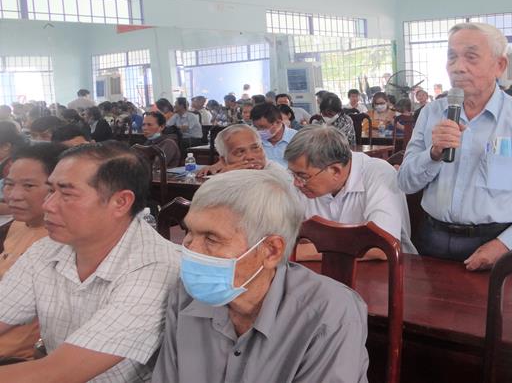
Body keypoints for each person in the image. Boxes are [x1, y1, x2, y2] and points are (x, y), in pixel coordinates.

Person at [151, 167, 368, 383]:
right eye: (189, 232)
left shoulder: (329, 314)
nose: (191, 249)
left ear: (271, 251)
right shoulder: (187, 294)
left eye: (211, 239)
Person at [0, 142, 180, 381]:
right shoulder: (46, 250)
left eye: (67, 194)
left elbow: (58, 372)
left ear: (120, 202)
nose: (47, 205)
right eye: (51, 190)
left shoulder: (155, 269)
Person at [397, 22, 512, 271]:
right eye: (452, 57)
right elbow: (405, 183)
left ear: (499, 65)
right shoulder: (431, 113)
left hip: (498, 241)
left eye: (471, 57)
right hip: (432, 239)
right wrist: (433, 154)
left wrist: (505, 244)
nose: (458, 67)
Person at [286, 126, 416, 259]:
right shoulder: (304, 180)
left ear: (335, 171)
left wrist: (298, 252)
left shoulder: (380, 174)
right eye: (293, 174)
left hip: (392, 267)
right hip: (323, 267)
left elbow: (381, 247)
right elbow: (284, 234)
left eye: (302, 176)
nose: (296, 183)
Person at [0, 143, 66, 359]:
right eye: (9, 184)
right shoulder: (20, 223)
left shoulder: (59, 242)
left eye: (28, 186)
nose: (14, 195)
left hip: (14, 359)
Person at [197, 124, 267, 177]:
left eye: (255, 148)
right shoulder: (221, 181)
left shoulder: (272, 172)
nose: (250, 157)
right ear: (224, 161)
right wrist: (223, 179)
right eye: (240, 152)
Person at [251, 103, 297, 167]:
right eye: (256, 127)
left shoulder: (297, 139)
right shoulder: (254, 141)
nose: (259, 131)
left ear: (278, 122)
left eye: (263, 127)